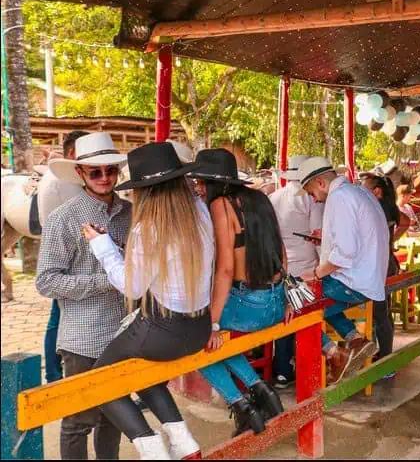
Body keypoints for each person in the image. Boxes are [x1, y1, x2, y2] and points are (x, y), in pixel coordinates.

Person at [80, 142, 211, 459]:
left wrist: (102, 246)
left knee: (100, 381)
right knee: (141, 372)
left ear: (142, 190)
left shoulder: (148, 228)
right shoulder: (200, 211)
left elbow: (131, 287)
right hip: (200, 326)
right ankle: (183, 442)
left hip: (162, 330)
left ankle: (152, 448)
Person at [35, 133, 131, 460]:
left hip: (122, 333)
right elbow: (46, 282)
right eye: (95, 172)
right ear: (80, 174)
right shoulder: (63, 218)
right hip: (83, 339)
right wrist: (108, 280)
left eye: (110, 171)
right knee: (78, 421)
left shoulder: (130, 212)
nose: (105, 178)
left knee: (115, 417)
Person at [189, 149, 289, 437]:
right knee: (214, 340)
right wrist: (283, 296)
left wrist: (213, 323)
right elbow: (282, 253)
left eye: (200, 183)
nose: (197, 188)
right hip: (275, 301)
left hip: (248, 305)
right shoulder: (260, 199)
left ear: (212, 182)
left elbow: (225, 271)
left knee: (197, 342)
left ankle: (242, 404)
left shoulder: (221, 205)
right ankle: (260, 390)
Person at [300, 157, 387, 383]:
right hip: (368, 278)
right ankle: (355, 340)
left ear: (320, 182)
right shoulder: (359, 192)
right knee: (315, 302)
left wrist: (317, 274)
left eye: (311, 193)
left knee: (293, 305)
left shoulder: (339, 198)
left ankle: (334, 354)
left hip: (352, 281)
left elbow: (346, 252)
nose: (314, 199)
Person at [36, 129, 89, 384]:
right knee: (59, 319)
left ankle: (55, 375)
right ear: (72, 154)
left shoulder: (52, 178)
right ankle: (57, 376)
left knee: (56, 318)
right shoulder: (65, 182)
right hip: (70, 263)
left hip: (64, 258)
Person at [268, 155, 324, 389]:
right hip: (306, 268)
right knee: (307, 317)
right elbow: (317, 235)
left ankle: (281, 369)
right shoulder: (309, 199)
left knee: (285, 316)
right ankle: (307, 366)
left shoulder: (273, 197)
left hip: (280, 266)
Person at [359, 172, 402, 363]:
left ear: (376, 192)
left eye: (364, 189)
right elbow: (406, 222)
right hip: (386, 263)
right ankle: (384, 353)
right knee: (383, 312)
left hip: (378, 266)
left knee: (379, 313)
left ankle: (384, 358)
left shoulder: (378, 210)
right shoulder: (389, 208)